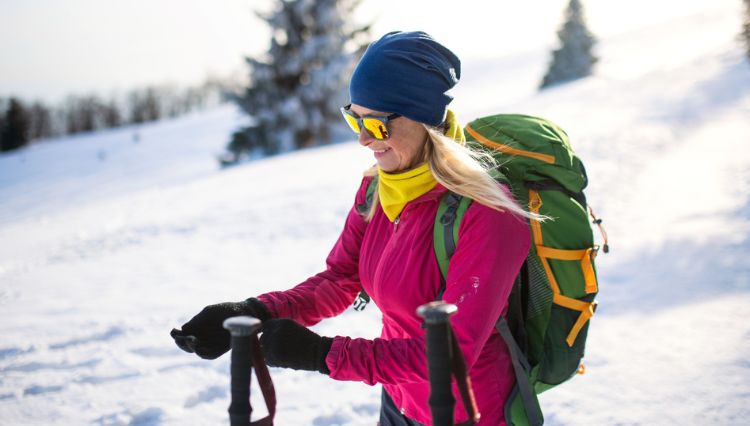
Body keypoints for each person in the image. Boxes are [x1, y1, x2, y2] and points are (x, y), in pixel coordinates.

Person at [172, 31, 536, 425]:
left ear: (424, 119)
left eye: (377, 125)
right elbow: (340, 279)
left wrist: (324, 354)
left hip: (472, 413)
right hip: (399, 403)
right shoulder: (379, 188)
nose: (363, 139)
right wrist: (256, 311)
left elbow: (451, 353)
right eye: (354, 119)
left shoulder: (488, 214)